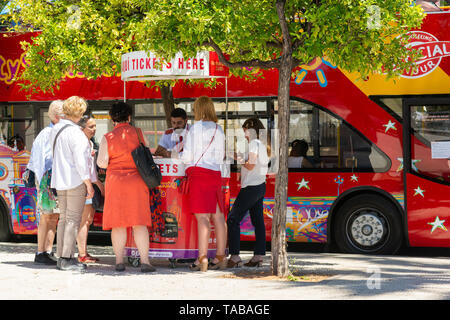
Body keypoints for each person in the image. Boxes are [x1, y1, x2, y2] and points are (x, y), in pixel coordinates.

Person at [97, 101, 156, 273]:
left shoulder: (108, 137)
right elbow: (146, 153)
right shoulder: (138, 133)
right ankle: (145, 262)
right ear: (129, 116)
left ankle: (119, 261)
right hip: (137, 182)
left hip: (116, 183)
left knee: (118, 223)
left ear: (112, 118)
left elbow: (102, 162)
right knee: (140, 223)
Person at [181, 96, 227, 272]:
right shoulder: (219, 129)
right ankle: (221, 256)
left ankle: (202, 258)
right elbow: (221, 156)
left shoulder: (195, 128)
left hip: (199, 174)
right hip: (215, 174)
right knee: (218, 216)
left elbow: (187, 156)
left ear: (198, 110)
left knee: (202, 218)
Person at [51, 96, 94, 272]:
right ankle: (67, 259)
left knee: (63, 219)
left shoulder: (57, 129)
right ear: (80, 112)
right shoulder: (76, 133)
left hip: (59, 180)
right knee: (73, 220)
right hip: (75, 181)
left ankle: (61, 256)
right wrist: (88, 183)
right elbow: (81, 162)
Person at [227, 118, 270, 268]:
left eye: (245, 130)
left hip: (250, 187)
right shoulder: (261, 144)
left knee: (233, 219)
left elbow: (250, 165)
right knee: (258, 222)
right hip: (260, 186)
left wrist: (237, 158)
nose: (244, 134)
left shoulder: (254, 144)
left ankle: (235, 256)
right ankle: (258, 256)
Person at [27, 100, 64, 265]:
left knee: (49, 216)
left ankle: (44, 251)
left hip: (44, 178)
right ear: (57, 116)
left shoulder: (46, 132)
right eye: (65, 115)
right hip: (49, 178)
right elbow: (49, 159)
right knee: (50, 216)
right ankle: (44, 251)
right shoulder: (51, 133)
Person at [76, 115, 104, 263]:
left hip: (88, 184)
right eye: (91, 127)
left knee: (88, 220)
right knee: (84, 221)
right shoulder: (82, 143)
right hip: (85, 186)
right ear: (82, 128)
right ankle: (82, 254)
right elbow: (85, 168)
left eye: (95, 126)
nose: (94, 129)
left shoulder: (88, 143)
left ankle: (84, 252)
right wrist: (96, 184)